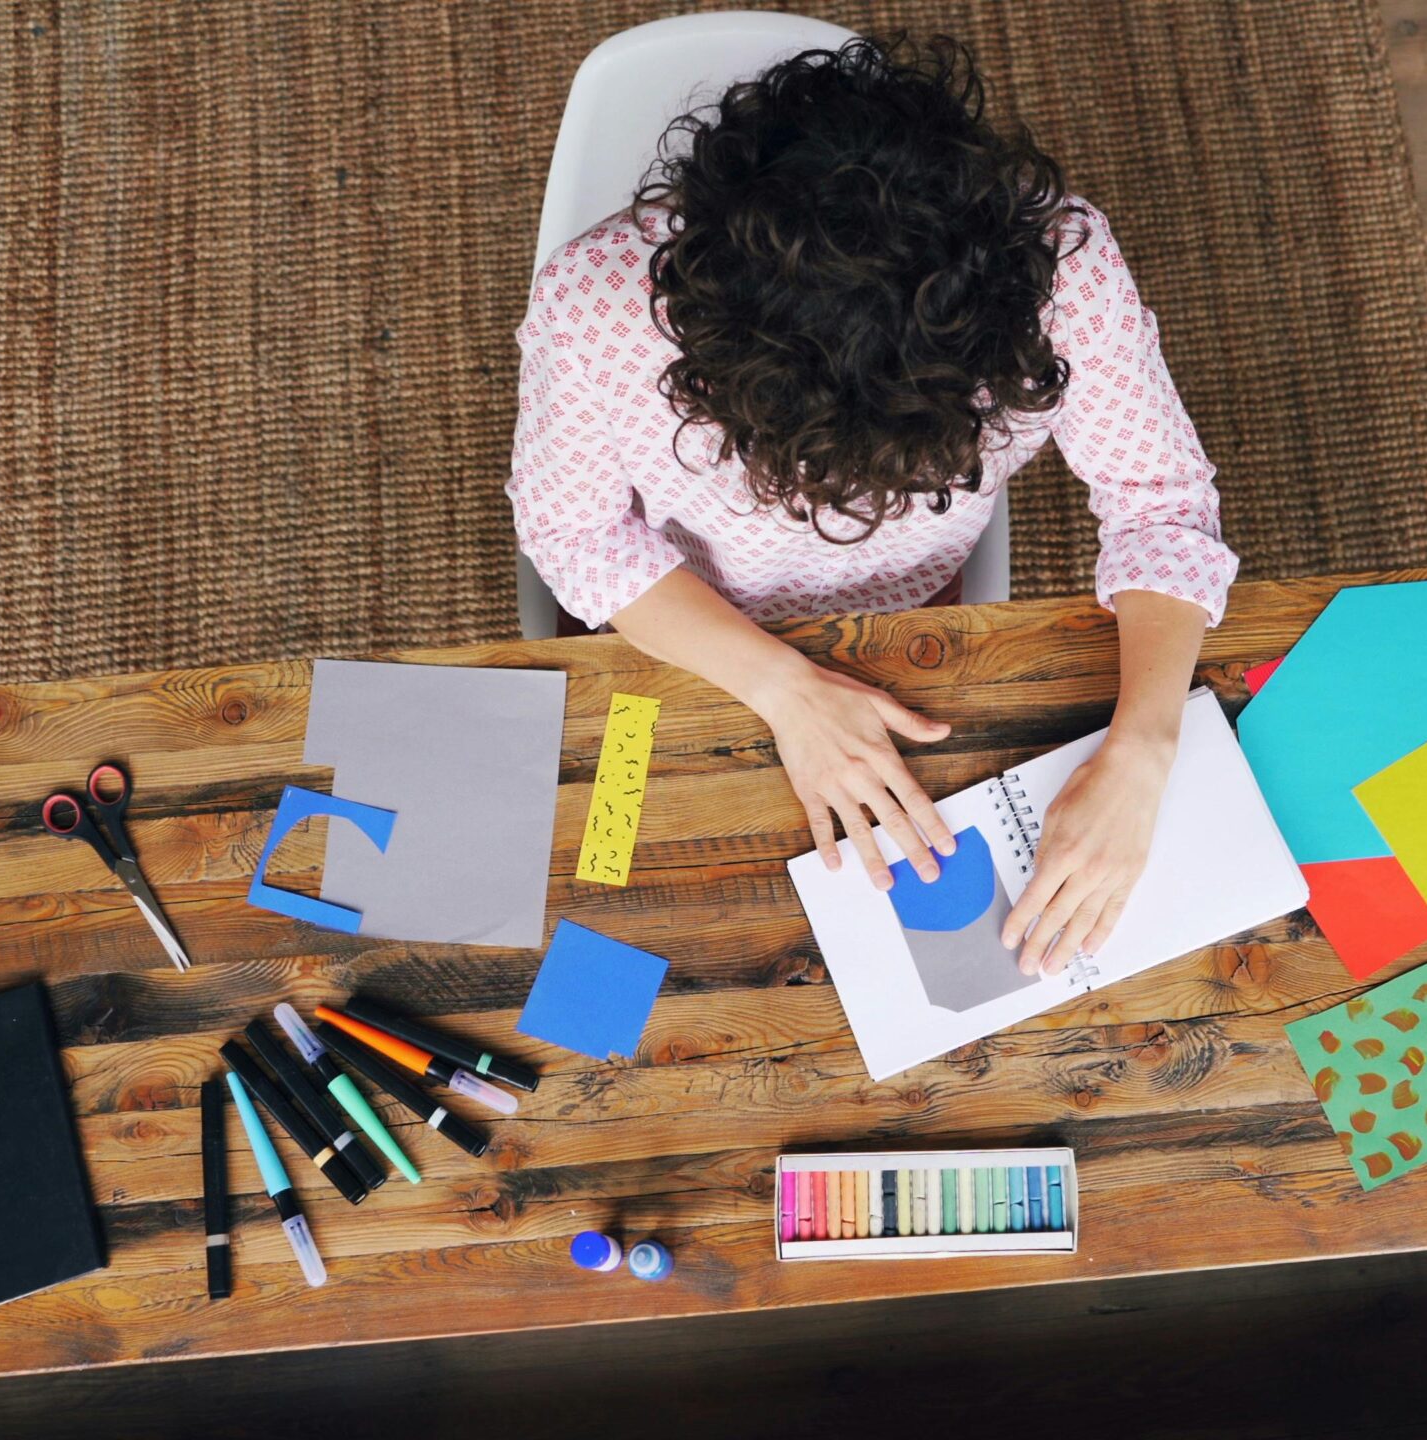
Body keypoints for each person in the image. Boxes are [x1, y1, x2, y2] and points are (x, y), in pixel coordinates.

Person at [509, 35, 1235, 977]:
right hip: (679, 623)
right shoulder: (595, 306)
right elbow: (578, 535)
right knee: (622, 887)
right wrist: (783, 691)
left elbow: (1163, 505)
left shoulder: (1066, 267)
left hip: (913, 623)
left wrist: (1144, 749)